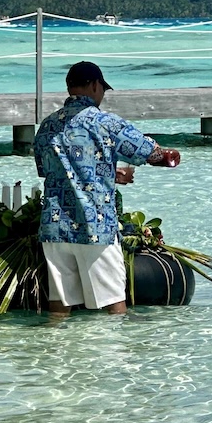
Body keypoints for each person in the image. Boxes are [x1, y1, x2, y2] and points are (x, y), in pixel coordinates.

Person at [34, 61, 181, 315]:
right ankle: (113, 353)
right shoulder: (105, 122)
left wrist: (109, 173)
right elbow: (148, 152)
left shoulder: (47, 126)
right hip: (95, 226)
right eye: (102, 89)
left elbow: (53, 171)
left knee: (59, 305)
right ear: (94, 85)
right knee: (113, 303)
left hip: (55, 227)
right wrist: (170, 155)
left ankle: (55, 351)